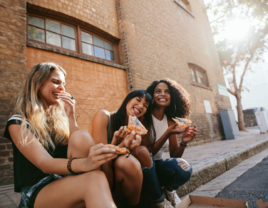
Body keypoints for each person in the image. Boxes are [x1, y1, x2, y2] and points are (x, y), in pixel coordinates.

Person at [4, 62, 118, 208]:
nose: (62, 88)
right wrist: (86, 163)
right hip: (39, 189)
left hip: (66, 179)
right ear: (38, 83)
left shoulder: (59, 121)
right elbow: (44, 163)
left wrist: (70, 115)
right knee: (95, 180)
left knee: (81, 138)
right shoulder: (18, 122)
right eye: (56, 82)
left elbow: (79, 147)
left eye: (63, 84)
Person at [88, 89, 154, 206]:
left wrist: (126, 146)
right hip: (98, 172)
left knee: (129, 162)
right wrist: (119, 144)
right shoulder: (103, 116)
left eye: (145, 105)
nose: (140, 106)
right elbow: (101, 159)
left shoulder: (134, 128)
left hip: (117, 175)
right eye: (138, 100)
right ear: (128, 101)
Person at [142, 78, 197, 208]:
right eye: (158, 91)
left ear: (172, 97)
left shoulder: (171, 122)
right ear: (151, 95)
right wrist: (167, 133)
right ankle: (160, 201)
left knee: (184, 167)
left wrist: (184, 142)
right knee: (146, 158)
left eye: (167, 91)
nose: (162, 94)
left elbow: (174, 155)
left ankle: (170, 190)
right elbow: (146, 153)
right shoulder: (145, 119)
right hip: (144, 168)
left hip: (159, 165)